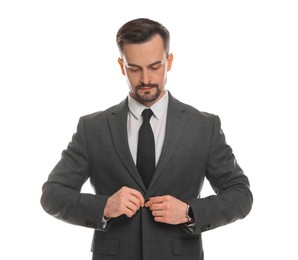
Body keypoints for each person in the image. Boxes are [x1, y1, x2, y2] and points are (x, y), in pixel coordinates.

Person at [41, 18, 253, 260]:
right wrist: (104, 207)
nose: (145, 79)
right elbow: (52, 194)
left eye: (155, 66)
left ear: (169, 62)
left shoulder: (203, 126)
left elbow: (240, 195)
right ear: (122, 66)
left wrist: (189, 212)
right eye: (134, 68)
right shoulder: (93, 128)